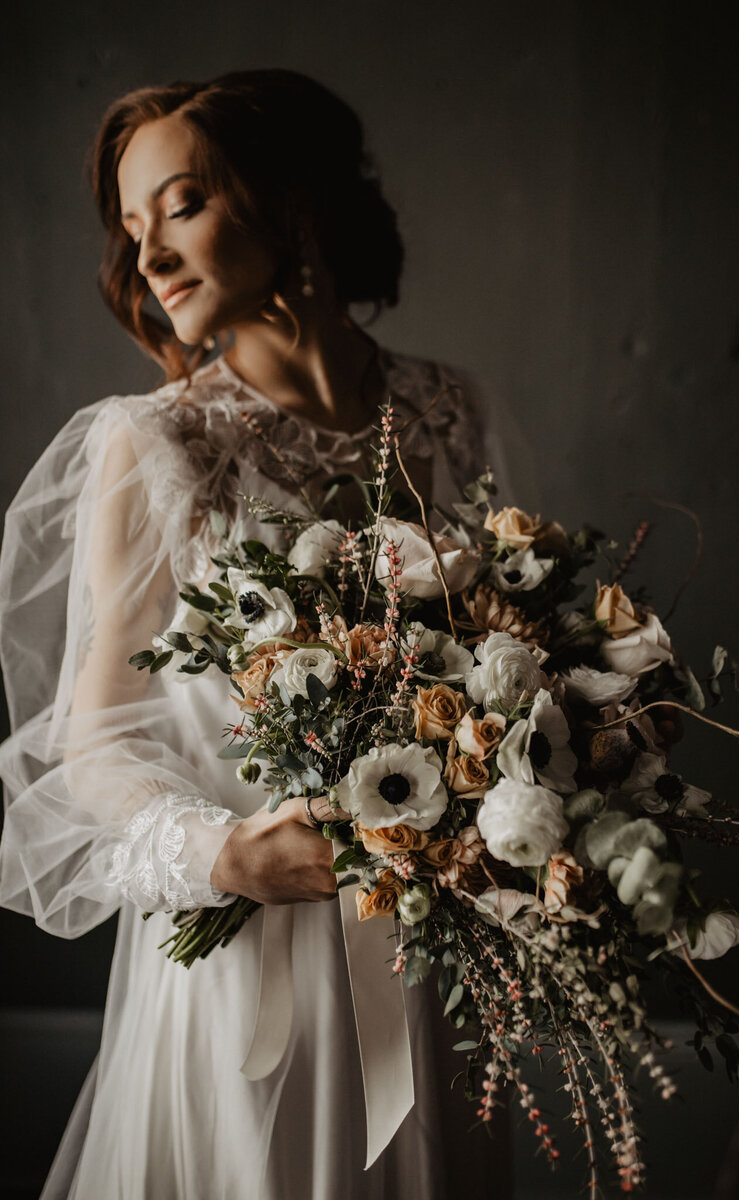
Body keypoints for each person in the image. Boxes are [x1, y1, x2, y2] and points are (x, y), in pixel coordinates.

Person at [0, 69, 514, 1199]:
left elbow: (502, 648)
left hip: (425, 946)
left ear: (288, 200)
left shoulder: (448, 409)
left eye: (180, 205)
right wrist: (220, 854)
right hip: (249, 960)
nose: (147, 256)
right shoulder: (155, 443)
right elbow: (90, 743)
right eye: (131, 228)